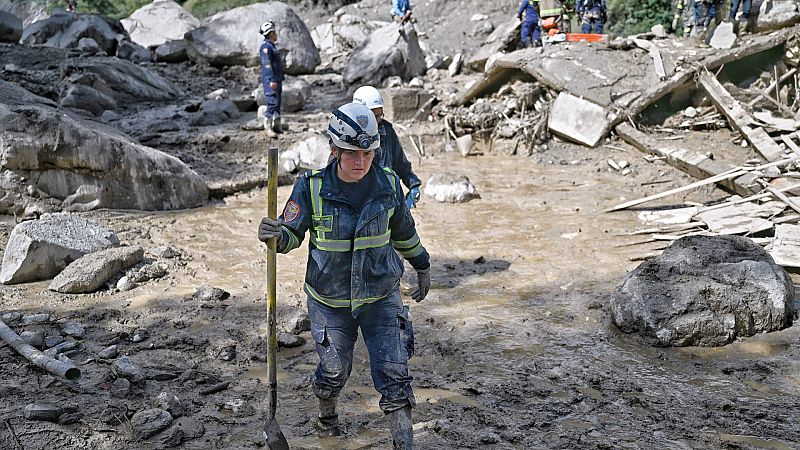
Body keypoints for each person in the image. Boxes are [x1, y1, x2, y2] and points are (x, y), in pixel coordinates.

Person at [258, 102, 431, 449]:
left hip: (381, 297)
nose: (360, 162)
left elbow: (403, 230)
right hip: (329, 302)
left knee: (395, 377)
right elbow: (293, 232)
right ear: (335, 149)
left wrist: (422, 263)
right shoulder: (311, 188)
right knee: (335, 372)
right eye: (352, 153)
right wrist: (277, 237)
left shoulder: (387, 185)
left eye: (368, 153)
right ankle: (327, 413)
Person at [352, 86, 423, 209]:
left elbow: (400, 163)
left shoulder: (387, 132)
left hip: (388, 200)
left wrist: (413, 185)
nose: (377, 120)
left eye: (380, 115)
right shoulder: (346, 136)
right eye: (373, 116)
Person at [258, 20, 284, 138]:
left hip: (277, 79)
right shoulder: (266, 47)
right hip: (271, 80)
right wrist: (272, 80)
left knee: (278, 103)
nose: (276, 34)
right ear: (271, 33)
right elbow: (267, 65)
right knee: (272, 102)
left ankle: (277, 125)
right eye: (274, 32)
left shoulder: (272, 46)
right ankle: (267, 127)